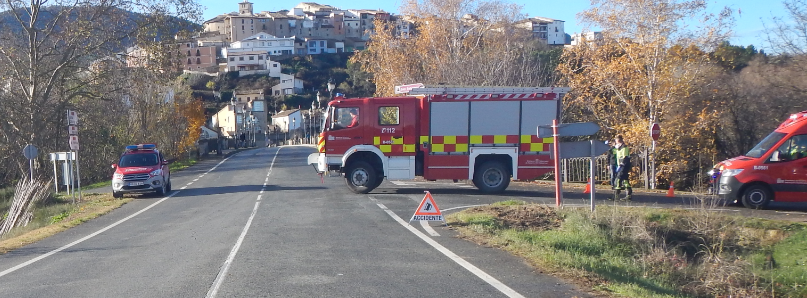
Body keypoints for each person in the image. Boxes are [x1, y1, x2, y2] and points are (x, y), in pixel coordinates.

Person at [611, 135, 633, 201]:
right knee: (625, 180)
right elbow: (612, 152)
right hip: (620, 166)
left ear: (618, 141)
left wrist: (621, 165)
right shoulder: (618, 148)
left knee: (617, 180)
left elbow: (625, 157)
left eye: (616, 141)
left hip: (624, 166)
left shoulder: (624, 148)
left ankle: (616, 196)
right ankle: (628, 196)